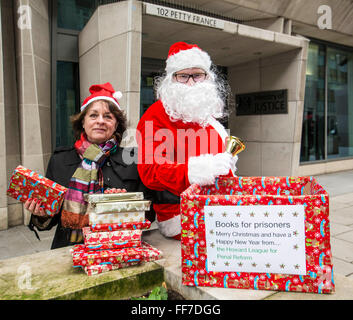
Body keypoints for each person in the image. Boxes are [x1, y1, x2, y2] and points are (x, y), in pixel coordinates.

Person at [25, 82, 155, 249]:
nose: (100, 121)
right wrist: (40, 214)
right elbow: (50, 221)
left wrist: (123, 206)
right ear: (82, 123)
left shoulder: (133, 159)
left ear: (116, 125)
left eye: (108, 116)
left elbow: (149, 213)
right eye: (93, 115)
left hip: (119, 249)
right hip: (69, 250)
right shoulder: (60, 160)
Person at [136, 41, 238, 240]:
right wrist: (198, 170)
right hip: (181, 216)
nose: (191, 82)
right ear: (171, 79)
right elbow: (150, 171)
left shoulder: (209, 116)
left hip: (222, 210)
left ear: (207, 77)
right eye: (183, 76)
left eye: (197, 75)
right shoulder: (155, 114)